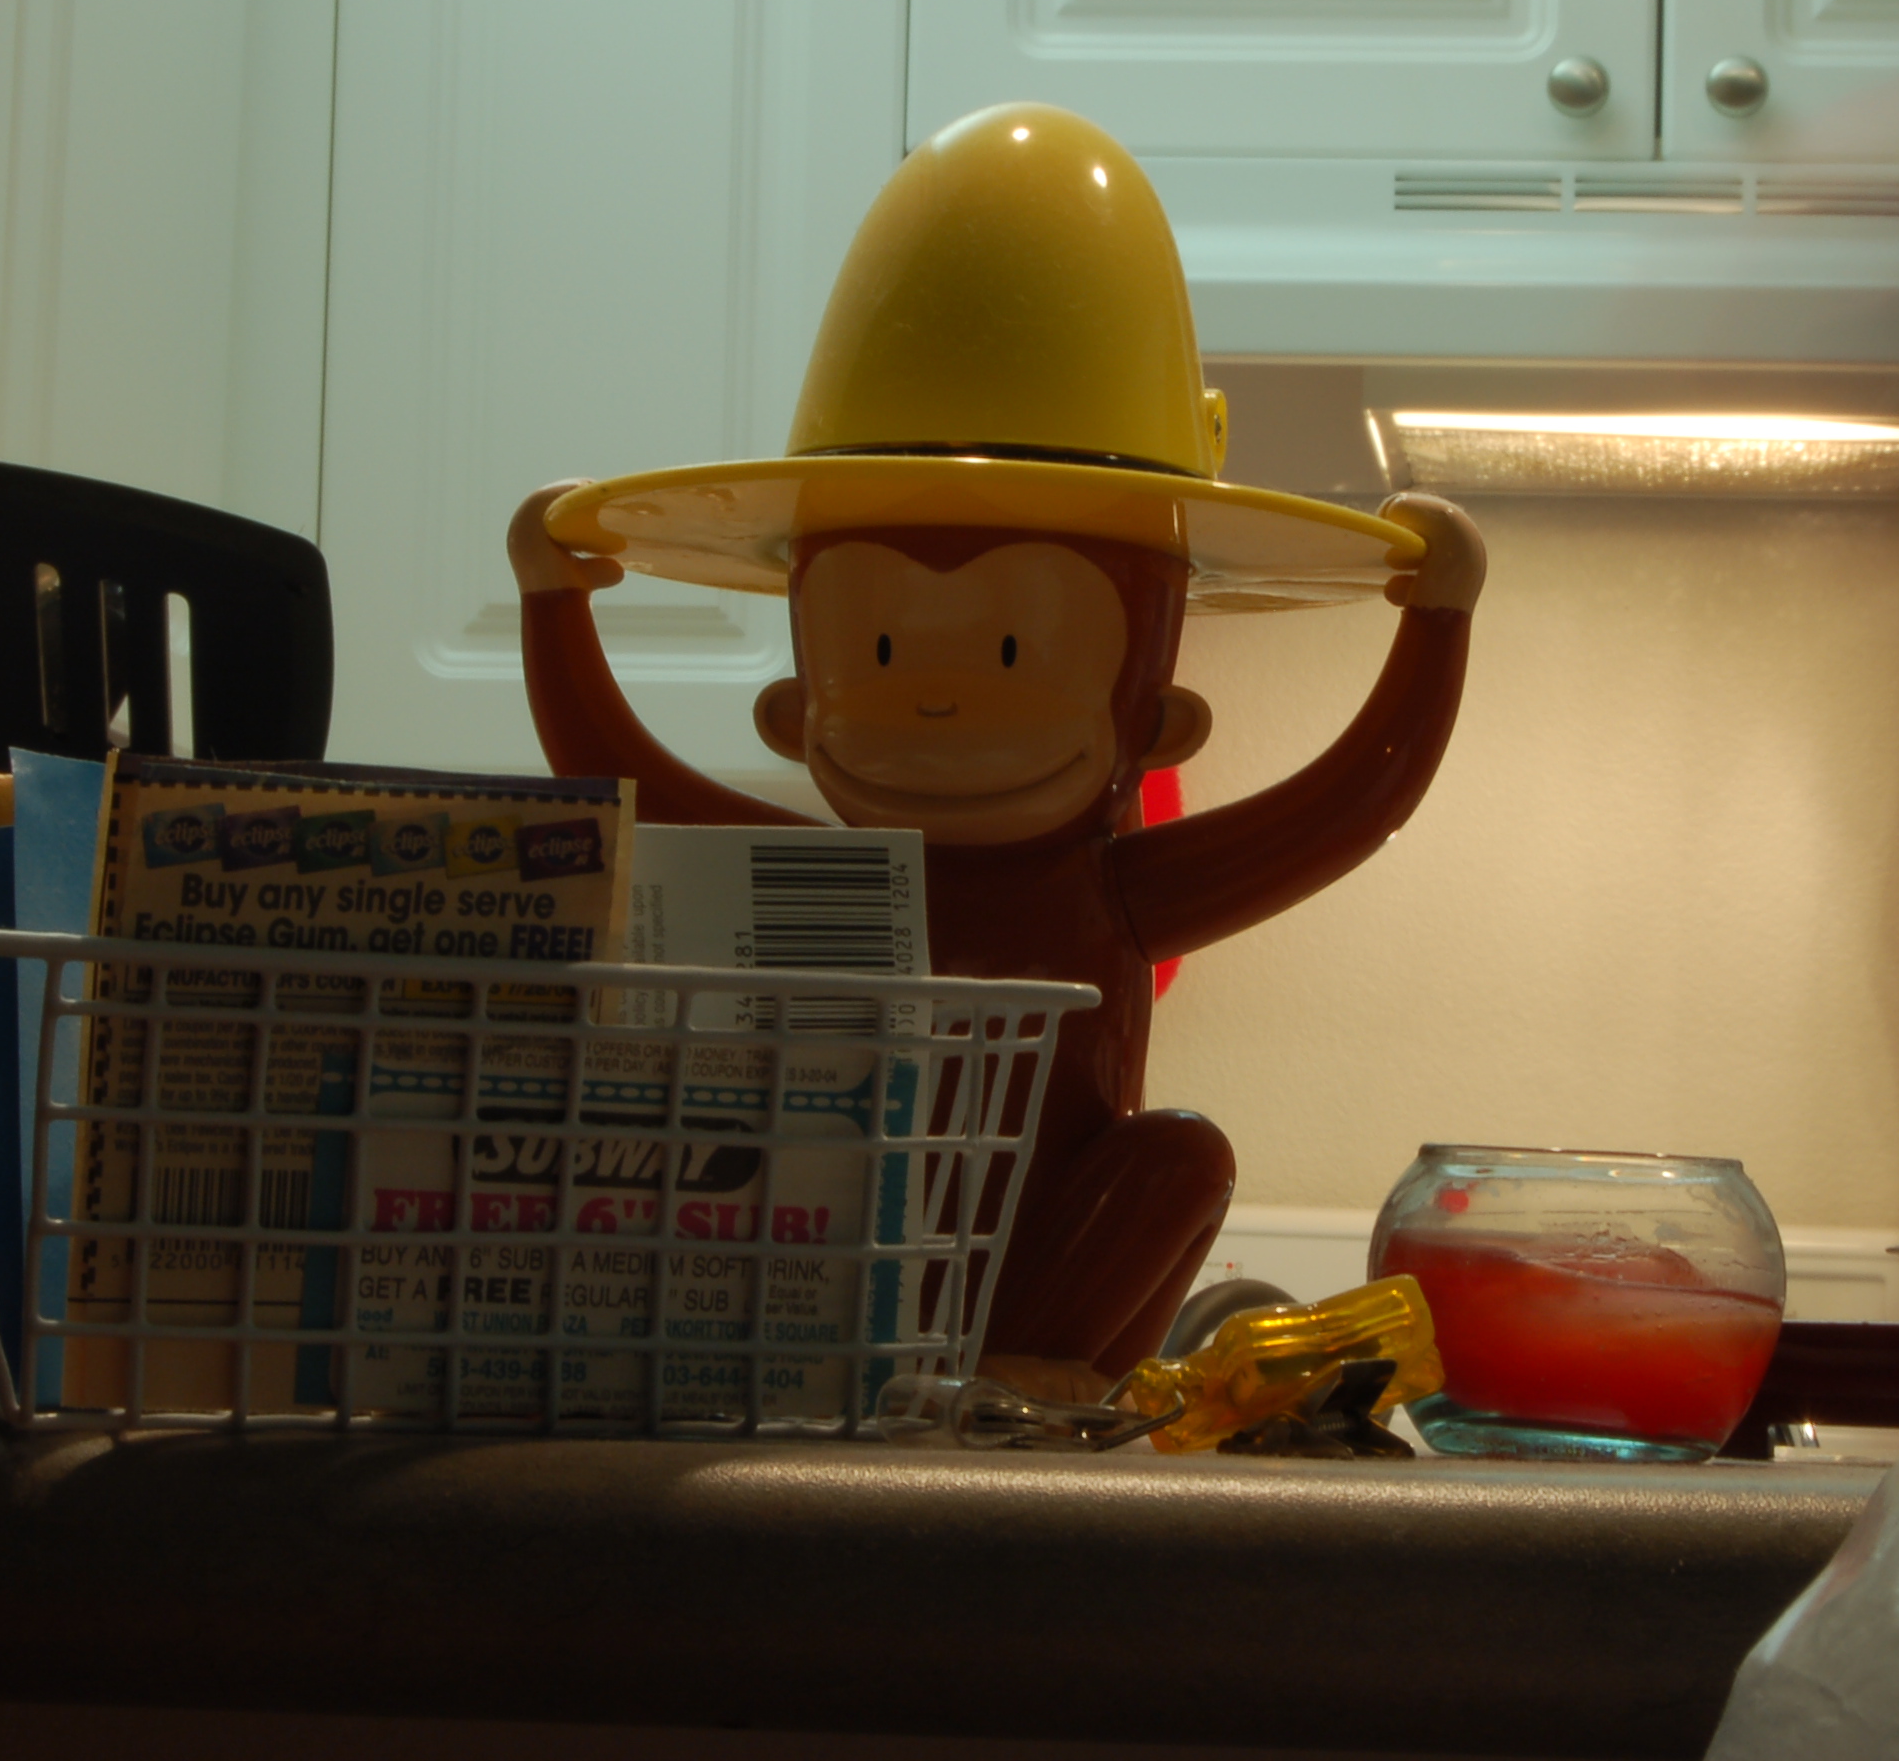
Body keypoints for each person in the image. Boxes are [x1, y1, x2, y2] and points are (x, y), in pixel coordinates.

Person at [513, 103, 1484, 1394]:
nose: (934, 704)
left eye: (1016, 653)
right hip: (809, 1306)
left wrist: (1437, 629)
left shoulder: (1103, 892)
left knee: (1179, 1159)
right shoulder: (828, 891)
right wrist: (553, 606)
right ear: (795, 714)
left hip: (1042, 1323)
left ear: (1157, 726)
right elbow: (621, 781)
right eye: (881, 653)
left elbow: (1354, 802)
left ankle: (1020, 1380)